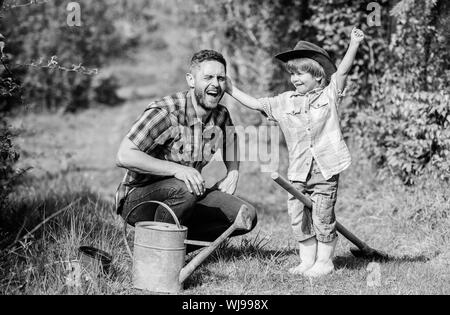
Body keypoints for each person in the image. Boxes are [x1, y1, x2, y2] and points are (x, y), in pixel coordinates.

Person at [226, 28, 365, 277]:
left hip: (325, 168)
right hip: (298, 171)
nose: (295, 78)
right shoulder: (285, 101)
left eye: (301, 73)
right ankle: (306, 261)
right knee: (298, 215)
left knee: (322, 215)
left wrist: (354, 43)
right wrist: (230, 89)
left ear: (319, 75)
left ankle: (324, 262)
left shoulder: (329, 95)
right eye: (292, 73)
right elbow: (257, 104)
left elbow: (342, 71)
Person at [115, 50, 257, 248]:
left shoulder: (221, 115)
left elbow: (231, 141)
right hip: (139, 200)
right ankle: (157, 252)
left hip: (187, 196)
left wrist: (233, 172)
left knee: (246, 215)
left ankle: (174, 247)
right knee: (184, 189)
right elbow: (124, 155)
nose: (215, 84)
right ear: (191, 80)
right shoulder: (166, 111)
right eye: (208, 77)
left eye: (220, 78)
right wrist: (178, 169)